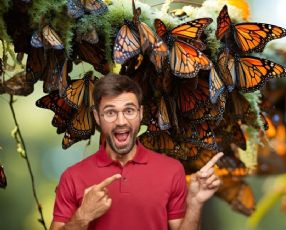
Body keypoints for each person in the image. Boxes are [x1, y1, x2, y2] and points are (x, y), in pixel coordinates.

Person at [50, 73, 223, 230]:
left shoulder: (172, 170)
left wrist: (194, 203)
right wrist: (82, 216)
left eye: (129, 111)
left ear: (140, 114)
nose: (121, 121)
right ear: (97, 117)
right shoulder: (72, 177)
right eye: (110, 112)